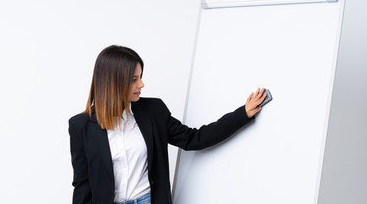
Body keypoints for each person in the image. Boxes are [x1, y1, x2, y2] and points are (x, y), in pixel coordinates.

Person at [68, 45, 267, 204]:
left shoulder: (154, 111)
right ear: (114, 83)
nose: (141, 84)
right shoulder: (81, 126)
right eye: (134, 79)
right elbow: (82, 185)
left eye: (141, 77)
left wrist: (243, 113)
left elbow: (194, 139)